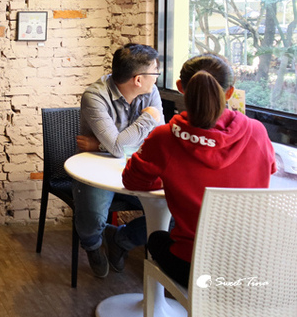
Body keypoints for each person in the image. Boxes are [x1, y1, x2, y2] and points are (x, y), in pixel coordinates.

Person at [122, 54, 276, 286]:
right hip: (252, 265)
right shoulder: (257, 132)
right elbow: (267, 171)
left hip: (196, 269)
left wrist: (166, 180)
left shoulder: (165, 137)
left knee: (157, 238)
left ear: (180, 87)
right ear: (230, 92)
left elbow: (132, 180)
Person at [75, 43, 164, 278]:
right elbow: (117, 148)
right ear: (138, 79)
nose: (157, 77)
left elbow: (159, 138)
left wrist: (100, 143)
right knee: (92, 221)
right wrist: (148, 119)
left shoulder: (151, 92)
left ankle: (120, 239)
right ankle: (93, 246)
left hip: (135, 167)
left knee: (171, 210)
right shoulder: (95, 96)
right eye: (154, 72)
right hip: (95, 167)